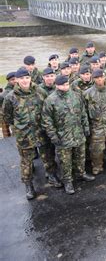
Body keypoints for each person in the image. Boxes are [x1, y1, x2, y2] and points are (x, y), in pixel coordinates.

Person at [2, 67, 62, 200]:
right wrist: (20, 127)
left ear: (30, 78)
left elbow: (48, 109)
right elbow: (7, 117)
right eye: (21, 78)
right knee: (26, 161)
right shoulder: (10, 97)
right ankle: (28, 185)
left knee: (47, 155)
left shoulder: (39, 92)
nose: (25, 81)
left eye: (27, 78)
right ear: (16, 80)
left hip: (41, 131)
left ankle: (51, 175)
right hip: (24, 135)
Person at [41, 75, 95, 195]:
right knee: (65, 161)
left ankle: (81, 173)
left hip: (78, 133)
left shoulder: (75, 95)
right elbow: (47, 121)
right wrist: (53, 136)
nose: (65, 87)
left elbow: (83, 113)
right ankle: (68, 181)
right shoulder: (50, 100)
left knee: (80, 156)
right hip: (63, 136)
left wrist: (86, 127)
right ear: (57, 85)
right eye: (62, 85)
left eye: (67, 84)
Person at [0, 72, 16, 137]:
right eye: (12, 79)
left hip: (16, 117)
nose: (15, 81)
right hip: (6, 115)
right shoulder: (5, 94)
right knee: (7, 134)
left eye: (16, 79)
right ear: (8, 81)